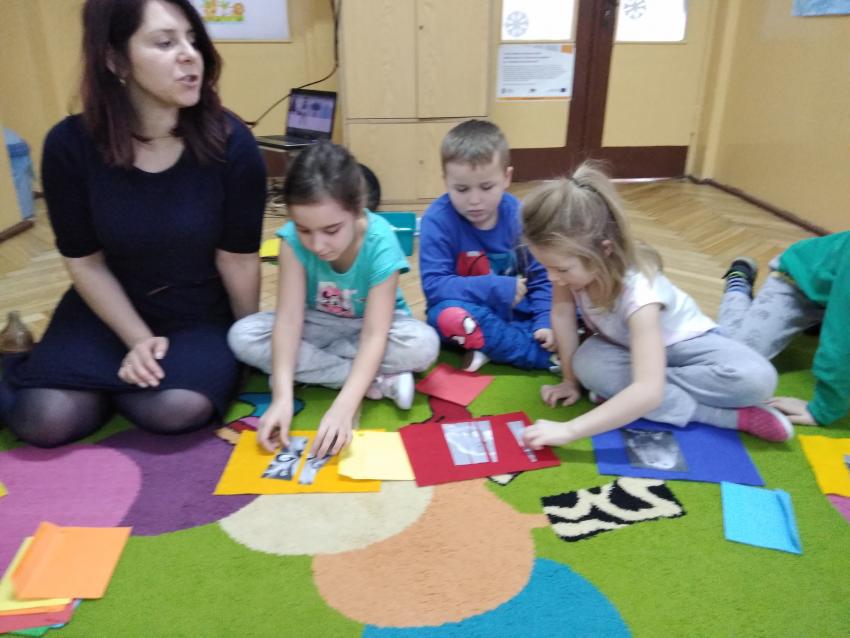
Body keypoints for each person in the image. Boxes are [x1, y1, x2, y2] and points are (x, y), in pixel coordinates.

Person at [0, 0, 266, 447]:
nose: (189, 55)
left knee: (174, 408)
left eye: (192, 40)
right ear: (115, 60)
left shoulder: (231, 142)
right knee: (44, 419)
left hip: (198, 311)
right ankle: (37, 363)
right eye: (165, 43)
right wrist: (138, 340)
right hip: (107, 307)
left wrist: (253, 345)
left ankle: (107, 387)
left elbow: (238, 259)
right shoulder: (69, 145)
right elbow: (84, 261)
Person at [519, 161, 794, 450]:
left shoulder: (641, 295)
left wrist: (569, 430)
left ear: (604, 250)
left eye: (561, 269)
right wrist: (569, 380)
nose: (552, 277)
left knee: (758, 379)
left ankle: (704, 412)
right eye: (546, 267)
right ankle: (688, 406)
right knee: (586, 363)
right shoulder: (565, 269)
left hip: (689, 347)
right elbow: (562, 313)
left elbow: (649, 391)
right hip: (627, 349)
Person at [227, 142, 439, 457]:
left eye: (331, 230)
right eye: (304, 229)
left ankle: (318, 372)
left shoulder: (381, 241)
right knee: (242, 335)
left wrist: (343, 407)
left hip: (375, 327)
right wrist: (282, 397)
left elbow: (375, 334)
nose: (317, 245)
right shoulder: (291, 242)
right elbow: (289, 320)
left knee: (424, 345)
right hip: (318, 323)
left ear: (358, 209)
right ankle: (378, 380)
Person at [419, 120, 554, 372]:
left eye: (486, 187)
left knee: (572, 302)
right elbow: (435, 287)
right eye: (461, 189)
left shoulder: (519, 216)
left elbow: (543, 276)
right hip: (465, 314)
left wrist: (545, 322)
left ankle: (491, 345)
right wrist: (496, 287)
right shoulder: (436, 221)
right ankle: (535, 355)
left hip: (515, 314)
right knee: (447, 317)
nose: (474, 200)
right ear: (445, 181)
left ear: (506, 178)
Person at [718, 231, 850, 426]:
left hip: (833, 295)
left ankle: (816, 323)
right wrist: (824, 409)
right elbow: (840, 339)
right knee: (734, 359)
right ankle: (739, 282)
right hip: (796, 282)